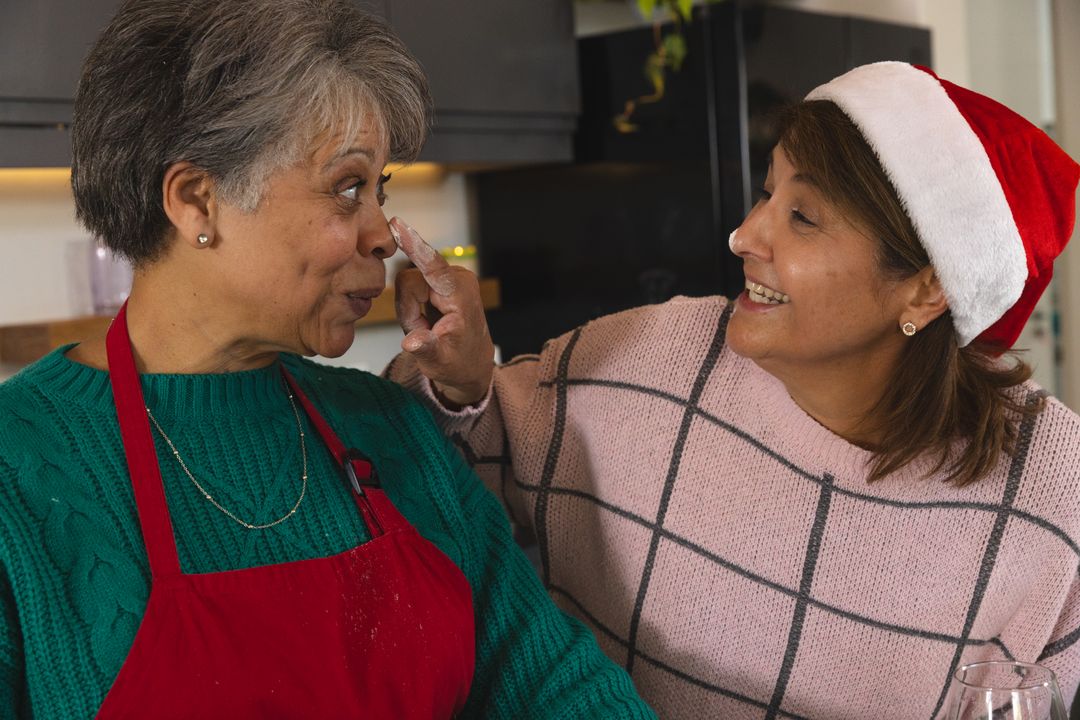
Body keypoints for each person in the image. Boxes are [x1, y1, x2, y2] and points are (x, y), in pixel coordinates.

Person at [0, 1, 659, 717]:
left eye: (381, 190)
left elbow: (559, 688)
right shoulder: (17, 470)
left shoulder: (390, 426)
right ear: (197, 202)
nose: (383, 235)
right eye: (348, 187)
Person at [387, 61, 1080, 719]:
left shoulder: (1051, 490)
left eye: (803, 218)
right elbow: (442, 478)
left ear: (927, 288)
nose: (744, 235)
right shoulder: (655, 356)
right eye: (767, 192)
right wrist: (461, 374)